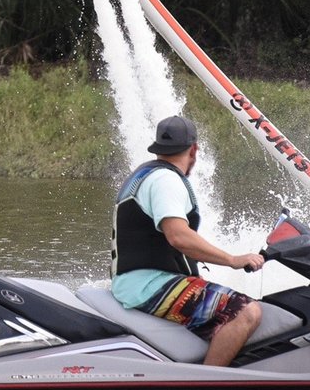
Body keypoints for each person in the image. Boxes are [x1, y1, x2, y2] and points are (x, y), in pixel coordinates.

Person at [110, 115, 267, 367]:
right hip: (149, 285)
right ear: (194, 149)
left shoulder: (144, 174)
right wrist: (233, 260)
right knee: (246, 311)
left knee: (218, 304)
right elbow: (178, 235)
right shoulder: (166, 181)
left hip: (137, 282)